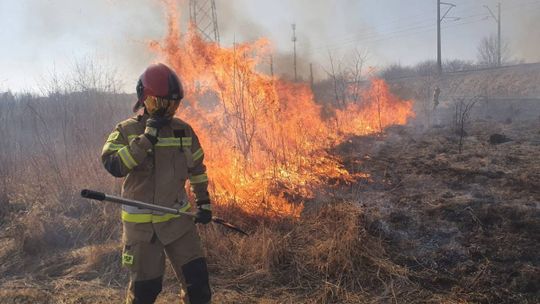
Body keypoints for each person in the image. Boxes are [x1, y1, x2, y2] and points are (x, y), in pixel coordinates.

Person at [101, 63, 212, 304]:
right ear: (144, 99)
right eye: (159, 104)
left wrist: (204, 203)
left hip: (178, 223)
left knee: (199, 287)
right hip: (142, 231)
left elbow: (197, 170)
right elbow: (114, 166)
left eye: (172, 105)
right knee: (145, 293)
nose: (166, 111)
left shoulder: (183, 131)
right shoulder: (126, 130)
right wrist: (146, 138)